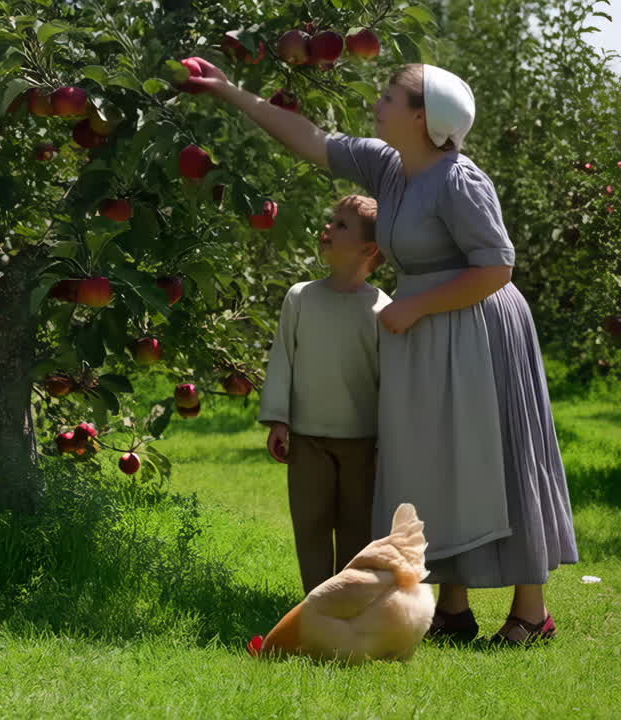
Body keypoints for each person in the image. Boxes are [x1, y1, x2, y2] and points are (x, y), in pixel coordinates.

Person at [189, 60, 578, 645]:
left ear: (423, 116)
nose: (378, 103)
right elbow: (311, 141)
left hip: (477, 325)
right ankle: (453, 608)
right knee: (436, 462)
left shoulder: (459, 179)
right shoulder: (388, 167)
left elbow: (497, 267)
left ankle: (531, 613)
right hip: (425, 329)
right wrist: (229, 92)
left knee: (496, 455)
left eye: (391, 97)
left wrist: (416, 306)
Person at [257, 195, 390, 595]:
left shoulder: (383, 309)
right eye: (331, 221)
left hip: (362, 444)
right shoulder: (300, 297)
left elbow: (390, 382)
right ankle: (316, 601)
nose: (327, 229)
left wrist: (388, 440)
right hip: (307, 439)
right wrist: (278, 419)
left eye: (341, 225)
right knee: (310, 523)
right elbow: (283, 358)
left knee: (356, 527)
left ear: (368, 249)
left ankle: (346, 603)